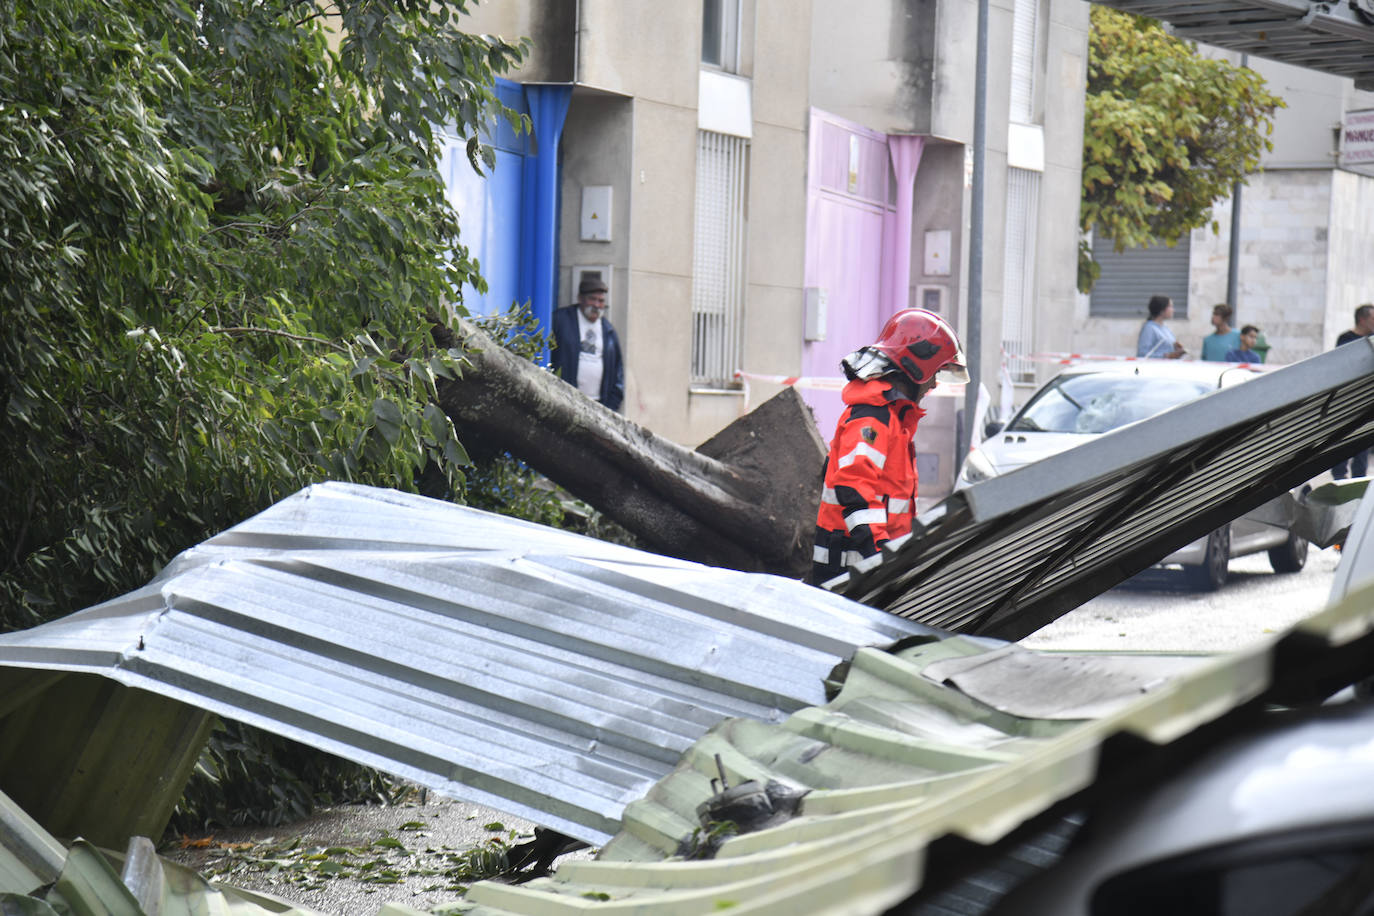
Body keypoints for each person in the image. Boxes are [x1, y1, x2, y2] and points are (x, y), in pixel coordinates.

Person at [811, 308, 968, 584]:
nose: (932, 384)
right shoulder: (874, 418)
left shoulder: (892, 418)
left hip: (864, 567)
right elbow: (854, 490)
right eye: (934, 373)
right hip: (851, 569)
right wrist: (878, 555)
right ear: (916, 369)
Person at [550, 277, 625, 412]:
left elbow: (618, 376)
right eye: (592, 299)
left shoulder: (609, 331)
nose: (596, 305)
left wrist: (609, 410)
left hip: (598, 406)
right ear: (580, 299)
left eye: (601, 301)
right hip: (564, 402)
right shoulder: (560, 321)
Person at [1331, 303, 1374, 479]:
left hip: (1367, 399)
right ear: (1363, 319)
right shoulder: (1346, 339)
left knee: (1362, 443)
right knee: (1341, 440)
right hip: (1347, 399)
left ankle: (1359, 480)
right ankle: (1339, 478)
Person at [1136, 295, 1186, 359]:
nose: (1173, 310)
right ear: (1161, 310)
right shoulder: (1149, 328)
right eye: (1170, 306)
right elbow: (1142, 354)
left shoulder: (1166, 329)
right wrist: (1166, 356)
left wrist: (1176, 350)